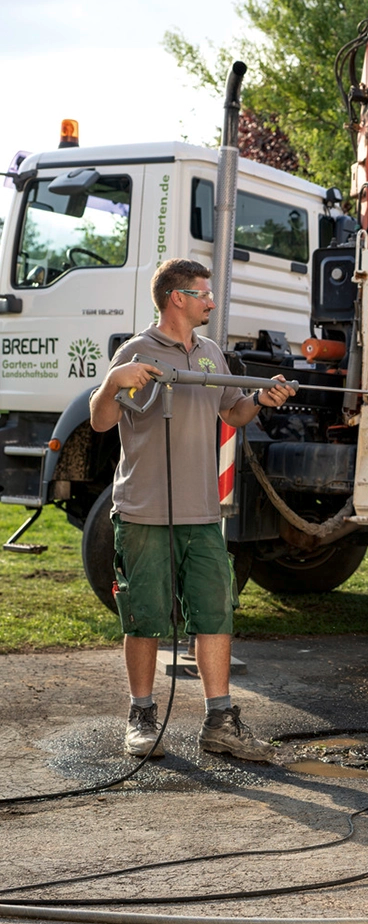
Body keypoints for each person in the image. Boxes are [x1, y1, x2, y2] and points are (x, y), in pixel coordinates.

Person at [90, 258, 295, 761]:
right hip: (143, 510)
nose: (211, 300)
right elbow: (99, 421)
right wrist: (115, 380)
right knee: (144, 615)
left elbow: (232, 411)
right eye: (203, 293)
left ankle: (220, 722)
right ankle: (141, 717)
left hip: (202, 513)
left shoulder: (210, 353)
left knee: (215, 613)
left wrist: (261, 399)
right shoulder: (135, 351)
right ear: (176, 297)